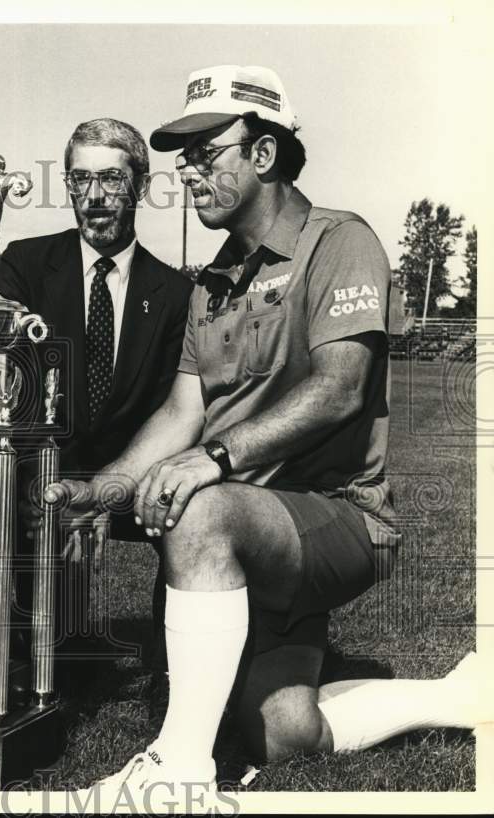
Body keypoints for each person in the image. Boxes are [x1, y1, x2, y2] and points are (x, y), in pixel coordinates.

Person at [47, 65, 485, 811]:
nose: (187, 173)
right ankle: (463, 694)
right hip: (254, 532)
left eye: (204, 153)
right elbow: (180, 413)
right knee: (284, 733)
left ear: (264, 155)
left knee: (202, 507)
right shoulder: (213, 280)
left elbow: (341, 387)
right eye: (181, 158)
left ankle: (177, 769)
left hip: (341, 517)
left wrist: (213, 460)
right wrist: (105, 489)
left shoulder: (339, 241)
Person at [0, 118, 192, 643]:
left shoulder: (173, 294)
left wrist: (105, 493)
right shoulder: (23, 265)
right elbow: (8, 395)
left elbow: (172, 409)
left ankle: (175, 653)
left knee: (194, 504)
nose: (95, 196)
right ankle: (9, 643)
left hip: (133, 472)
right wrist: (61, 489)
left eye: (112, 179)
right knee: (52, 657)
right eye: (80, 180)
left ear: (142, 186)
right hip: (45, 472)